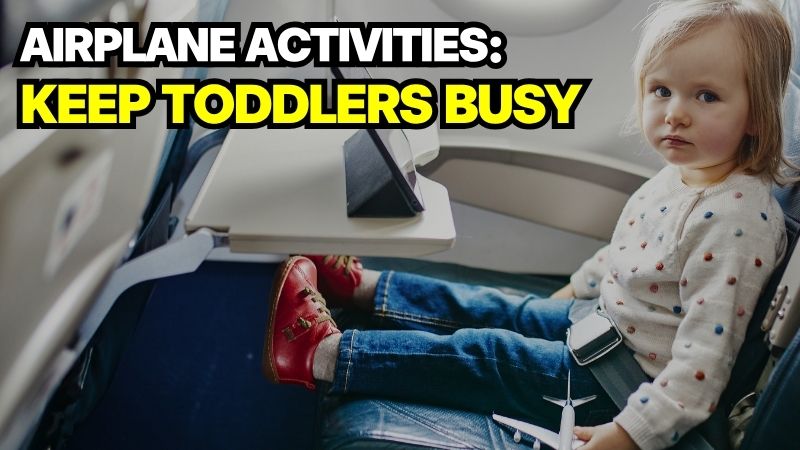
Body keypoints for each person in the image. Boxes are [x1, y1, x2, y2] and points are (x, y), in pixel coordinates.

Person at [261, 1, 795, 449]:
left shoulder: (736, 222)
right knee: (500, 309)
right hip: (603, 326)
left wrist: (630, 434)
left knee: (491, 355)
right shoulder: (686, 172)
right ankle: (364, 287)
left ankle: (323, 356)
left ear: (757, 114)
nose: (675, 113)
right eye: (661, 91)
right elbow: (632, 250)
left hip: (620, 388)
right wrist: (576, 291)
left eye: (706, 96)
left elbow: (703, 367)